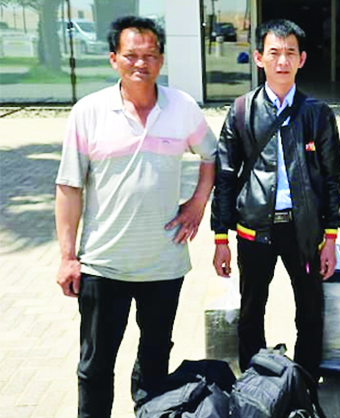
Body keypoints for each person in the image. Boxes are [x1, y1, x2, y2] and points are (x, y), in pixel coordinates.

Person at [54, 16, 217, 417]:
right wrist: (67, 257)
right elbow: (69, 187)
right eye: (131, 55)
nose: (141, 63)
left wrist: (197, 203)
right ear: (114, 59)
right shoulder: (88, 112)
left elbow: (212, 156)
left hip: (163, 264)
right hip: (103, 265)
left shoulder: (182, 107)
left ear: (161, 59)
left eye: (150, 55)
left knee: (155, 358)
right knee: (95, 365)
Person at [211, 19, 340, 380]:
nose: (282, 61)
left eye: (290, 53)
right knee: (252, 311)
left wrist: (331, 237)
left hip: (304, 231)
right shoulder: (242, 111)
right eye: (274, 53)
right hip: (254, 231)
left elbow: (333, 178)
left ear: (302, 59)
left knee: (311, 311)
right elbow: (224, 177)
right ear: (259, 58)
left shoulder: (317, 113)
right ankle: (254, 386)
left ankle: (305, 384)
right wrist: (221, 238)